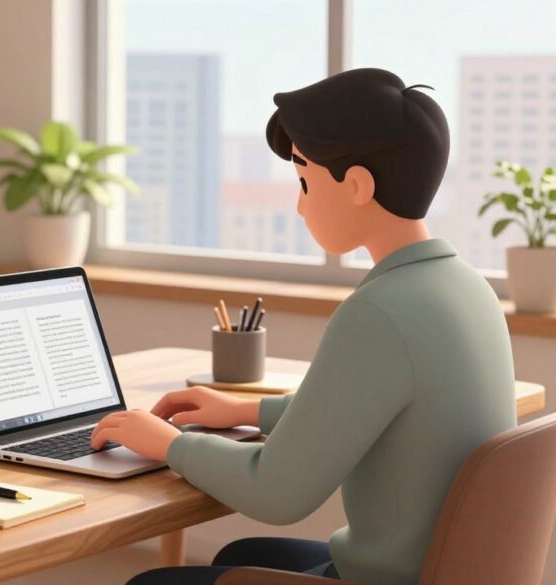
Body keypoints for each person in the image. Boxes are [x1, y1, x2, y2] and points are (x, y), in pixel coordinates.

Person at [89, 68, 516, 585]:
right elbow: (366, 406)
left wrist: (165, 442)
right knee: (244, 552)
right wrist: (248, 410)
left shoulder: (381, 311)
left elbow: (278, 491)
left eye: (305, 181)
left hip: (387, 579)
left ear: (357, 185)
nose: (298, 203)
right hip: (442, 568)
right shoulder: (467, 288)